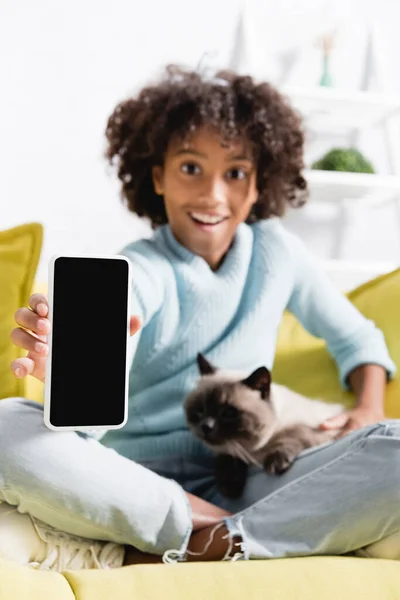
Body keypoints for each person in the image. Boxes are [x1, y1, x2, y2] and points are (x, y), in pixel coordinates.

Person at [1, 64, 399, 571]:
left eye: (235, 173)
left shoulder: (278, 253)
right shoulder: (140, 268)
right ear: (158, 177)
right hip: (136, 482)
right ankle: (215, 528)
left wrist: (366, 409)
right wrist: (64, 362)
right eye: (191, 168)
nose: (213, 194)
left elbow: (359, 340)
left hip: (252, 469)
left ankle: (208, 539)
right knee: (6, 424)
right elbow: (100, 391)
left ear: (258, 186)